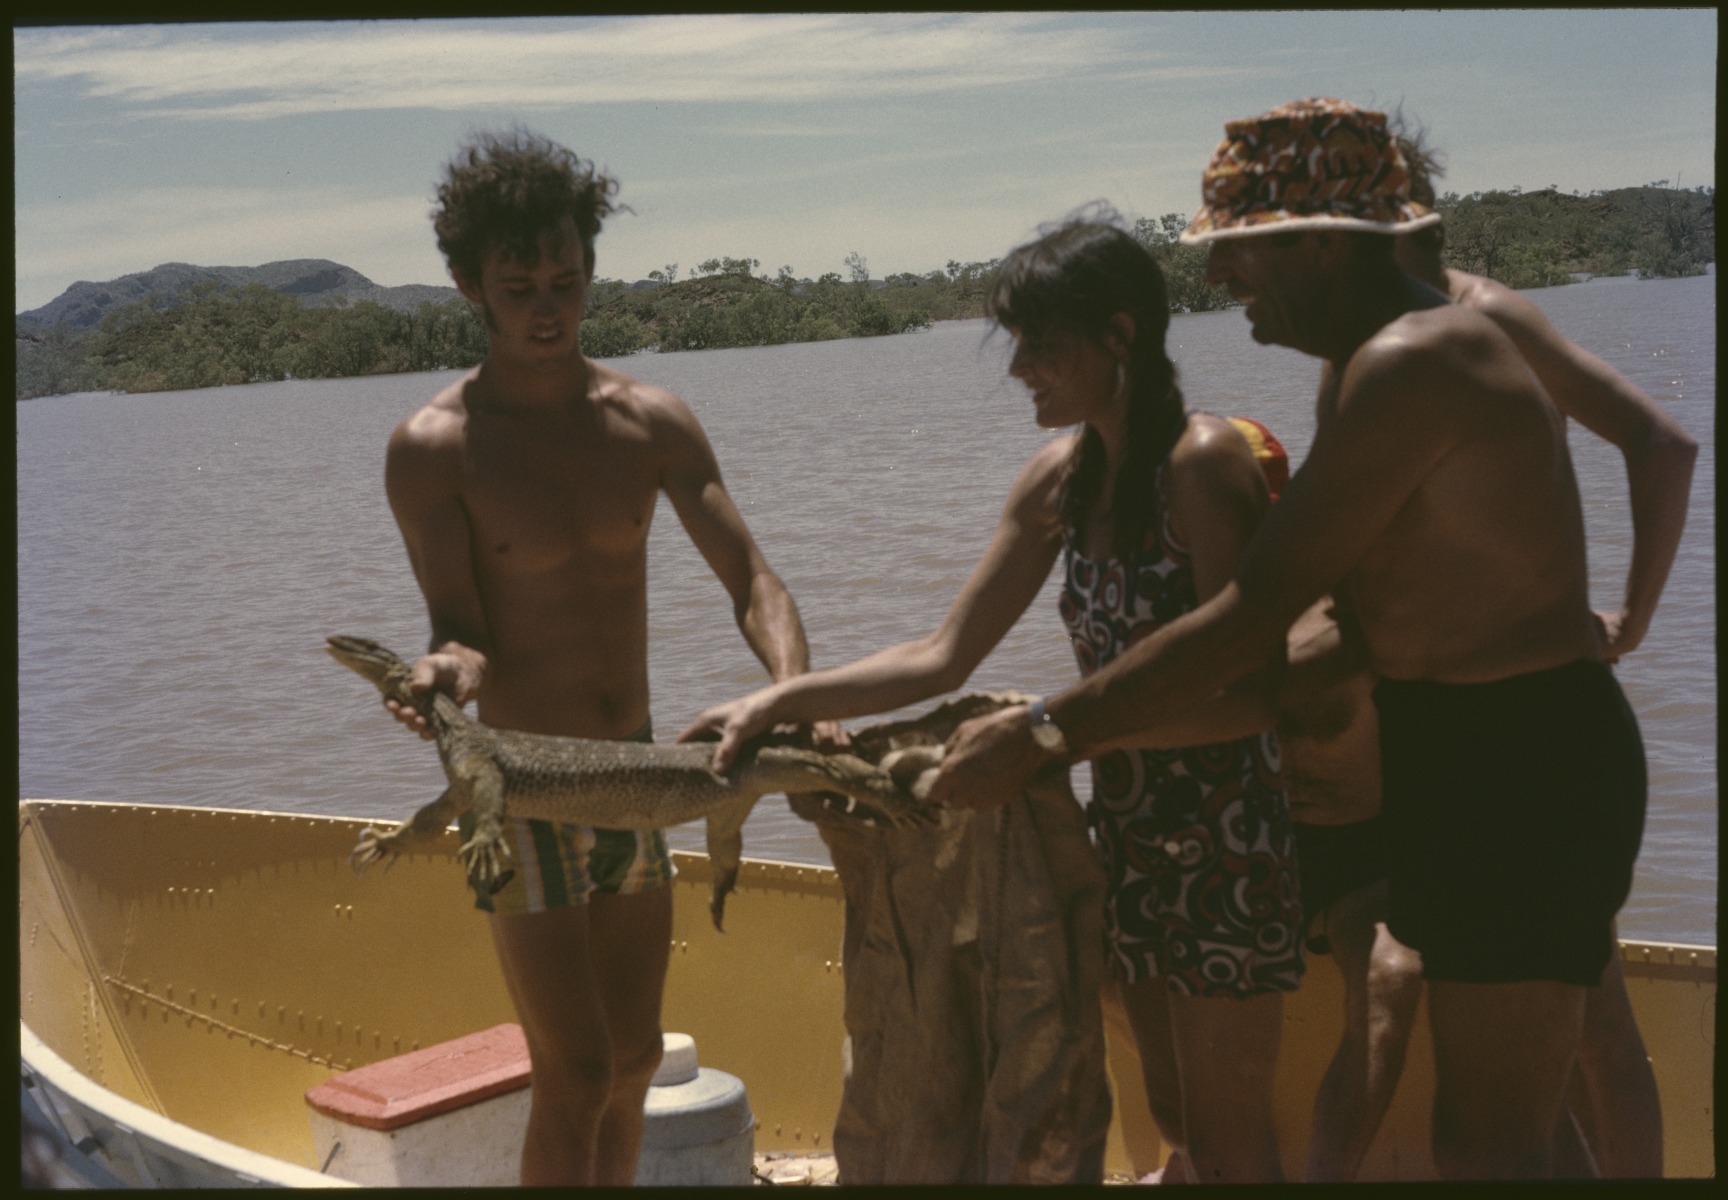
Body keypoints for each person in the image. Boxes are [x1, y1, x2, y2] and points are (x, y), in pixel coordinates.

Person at [928, 98, 1653, 1181]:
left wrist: (1046, 731)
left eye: (1240, 249)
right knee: (1514, 1132)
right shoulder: (1360, 365)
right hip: (1449, 752)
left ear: (1320, 243)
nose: (1221, 277)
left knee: (1490, 1140)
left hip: (1521, 755)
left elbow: (1252, 613)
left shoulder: (1415, 359)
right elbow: (1340, 618)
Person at [682, 214, 1301, 1184]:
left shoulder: (1203, 462)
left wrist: (1057, 739)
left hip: (1229, 835)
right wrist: (775, 701)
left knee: (1229, 1141)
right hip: (1127, 833)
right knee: (1179, 1113)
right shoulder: (1063, 478)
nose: (1019, 369)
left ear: (1120, 335)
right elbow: (942, 655)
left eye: (1041, 344)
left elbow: (1258, 696)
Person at [380, 128, 829, 1186]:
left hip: (638, 769)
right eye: (520, 288)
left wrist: (795, 693)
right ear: (470, 286)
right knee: (575, 1069)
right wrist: (443, 677)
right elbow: (460, 630)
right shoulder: (435, 448)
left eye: (567, 282)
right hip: (524, 780)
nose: (548, 309)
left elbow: (754, 581)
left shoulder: (650, 422)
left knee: (632, 1062)